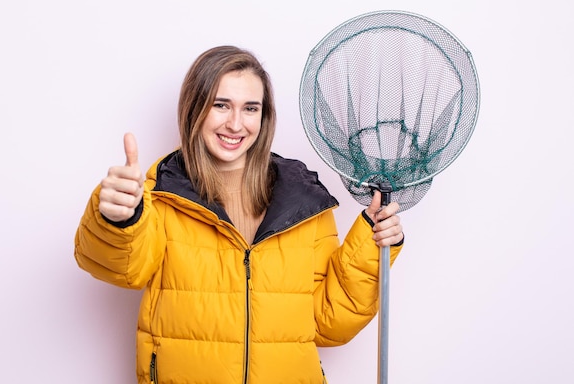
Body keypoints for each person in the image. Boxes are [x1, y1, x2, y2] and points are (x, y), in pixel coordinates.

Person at [74, 45, 404, 384]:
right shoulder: (160, 197)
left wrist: (371, 242)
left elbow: (326, 323)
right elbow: (123, 268)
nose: (235, 124)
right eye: (220, 105)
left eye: (250, 108)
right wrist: (119, 218)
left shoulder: (305, 203)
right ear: (194, 109)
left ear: (264, 116)